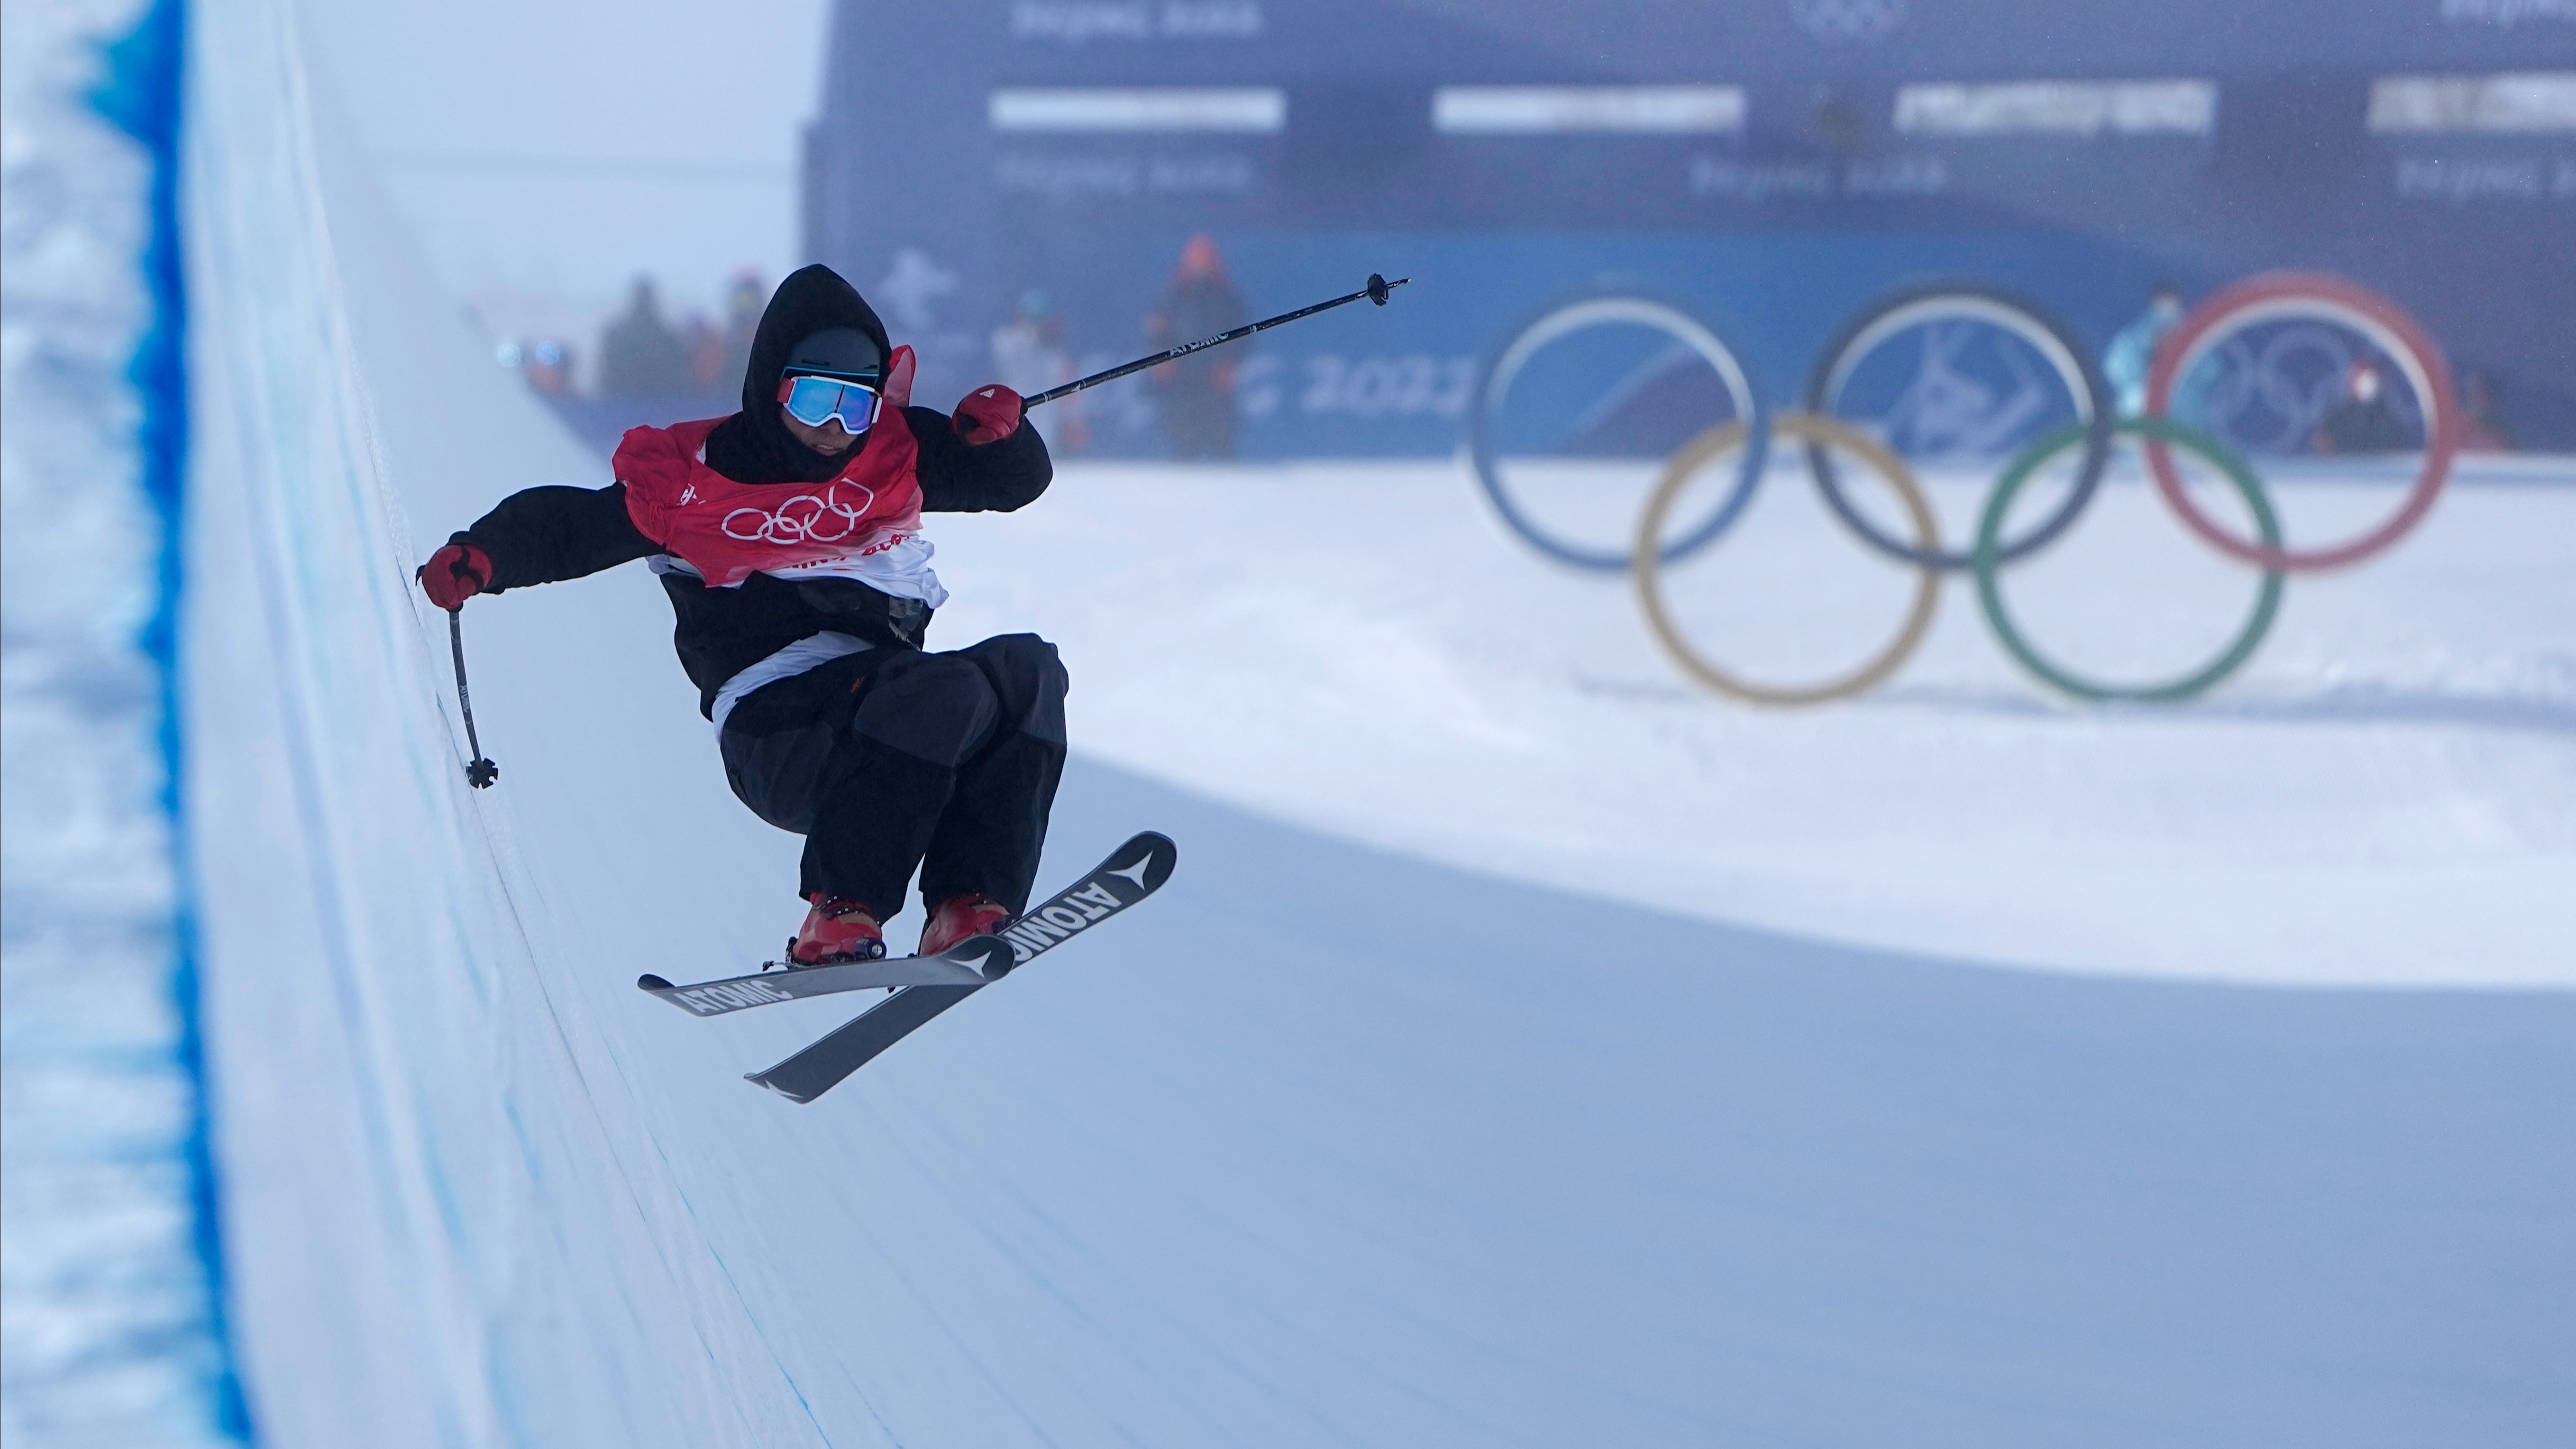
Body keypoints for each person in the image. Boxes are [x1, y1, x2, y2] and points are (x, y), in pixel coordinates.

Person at [418, 264, 1062, 965]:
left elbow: (1010, 484)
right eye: (815, 401)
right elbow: (571, 526)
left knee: (1028, 669)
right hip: (778, 734)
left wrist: (1003, 438)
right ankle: (841, 911)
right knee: (946, 689)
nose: (834, 429)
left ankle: (968, 902)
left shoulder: (891, 453)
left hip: (889, 714)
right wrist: (485, 554)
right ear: (771, 387)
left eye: (856, 406)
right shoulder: (694, 479)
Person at [1144, 235, 1249, 459]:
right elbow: (1157, 333)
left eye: (1206, 260)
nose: (1201, 266)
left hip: (1215, 383)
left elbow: (1243, 336)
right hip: (1180, 382)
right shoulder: (1173, 296)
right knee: (1184, 446)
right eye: (1197, 260)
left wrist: (1229, 364)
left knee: (1222, 447)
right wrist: (1161, 361)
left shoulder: (1226, 297)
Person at [596, 275, 696, 397]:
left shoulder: (616, 334)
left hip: (652, 398)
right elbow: (607, 371)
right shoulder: (616, 335)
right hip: (633, 398)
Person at [2102, 282, 2183, 418]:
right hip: (2137, 414)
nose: (2167, 311)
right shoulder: (2135, 338)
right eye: (2162, 305)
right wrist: (2148, 345)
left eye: (2173, 305)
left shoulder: (2195, 338)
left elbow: (2210, 372)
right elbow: (2114, 368)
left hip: (2181, 417)